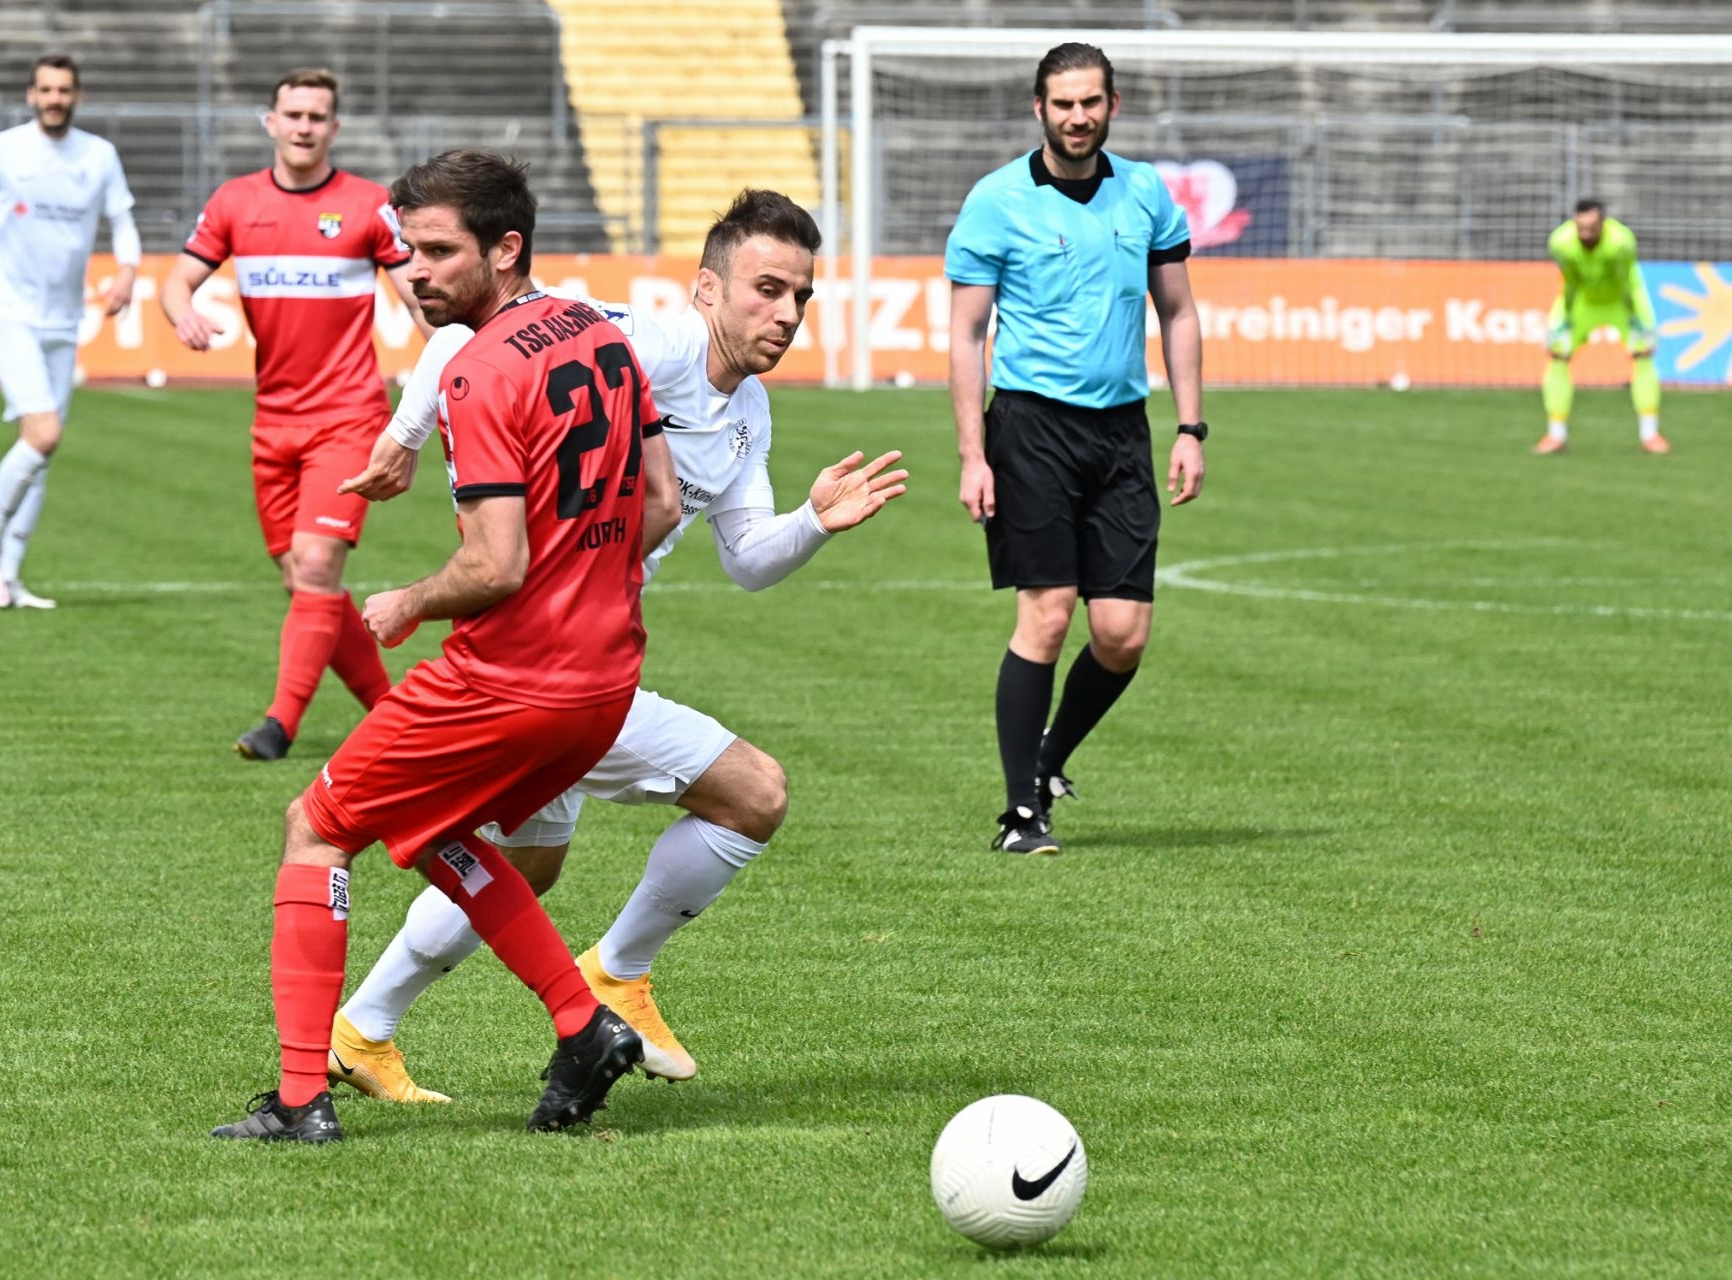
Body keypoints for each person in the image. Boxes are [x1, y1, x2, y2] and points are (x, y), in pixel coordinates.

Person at [318, 190, 908, 1102]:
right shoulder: (654, 343)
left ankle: (364, 1030)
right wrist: (403, 441)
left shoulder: (748, 410)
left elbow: (748, 562)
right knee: (753, 793)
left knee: (527, 865)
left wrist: (815, 522)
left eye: (801, 295)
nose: (787, 314)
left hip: (574, 651)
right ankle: (618, 974)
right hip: (545, 656)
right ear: (706, 289)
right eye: (766, 289)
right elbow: (472, 336)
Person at [211, 149, 682, 1143]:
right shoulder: (602, 332)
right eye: (406, 250)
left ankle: (302, 1097)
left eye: (435, 252)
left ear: (506, 250)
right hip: (605, 677)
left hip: (512, 675)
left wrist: (410, 600)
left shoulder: (479, 369)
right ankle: (582, 1025)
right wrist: (585, 585)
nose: (411, 271)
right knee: (431, 830)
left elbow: (496, 562)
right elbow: (664, 503)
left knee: (318, 822)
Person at [946, 42, 1206, 857]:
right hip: (1030, 429)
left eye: (1091, 102)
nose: (1077, 117)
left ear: (1112, 106)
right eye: (1062, 104)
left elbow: (1180, 314)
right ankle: (1021, 815)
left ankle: (1048, 763)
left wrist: (1191, 428)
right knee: (1049, 614)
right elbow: (965, 334)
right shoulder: (996, 201)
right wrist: (972, 453)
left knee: (1124, 634)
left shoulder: (1146, 194)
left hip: (1123, 431)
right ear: (1039, 108)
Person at [159, 67, 432, 761]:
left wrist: (460, 370)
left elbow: (422, 305)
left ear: (334, 128)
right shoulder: (234, 203)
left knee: (314, 567)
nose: (305, 126)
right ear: (271, 122)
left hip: (348, 416)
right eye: (294, 114)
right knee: (305, 580)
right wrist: (181, 311)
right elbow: (177, 279)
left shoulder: (370, 207)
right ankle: (395, 711)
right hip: (272, 421)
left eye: (318, 116)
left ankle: (279, 724)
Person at [0, 54, 140, 611]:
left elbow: (123, 220)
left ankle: (8, 574)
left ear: (76, 96)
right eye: (46, 89)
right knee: (43, 433)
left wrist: (127, 271)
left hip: (64, 319)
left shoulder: (98, 156)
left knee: (41, 452)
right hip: (8, 312)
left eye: (64, 90)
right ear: (31, 95)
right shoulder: (0, 150)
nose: (55, 98)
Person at [1536, 200, 1667, 455]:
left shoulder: (1620, 243)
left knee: (1643, 357)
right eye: (1580, 227)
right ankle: (1556, 435)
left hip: (1622, 300)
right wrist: (1565, 317)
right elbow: (1570, 282)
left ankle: (1650, 435)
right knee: (1558, 356)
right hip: (1584, 301)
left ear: (1603, 225)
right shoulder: (1560, 243)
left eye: (1591, 228)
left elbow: (1626, 282)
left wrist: (1637, 318)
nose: (1585, 233)